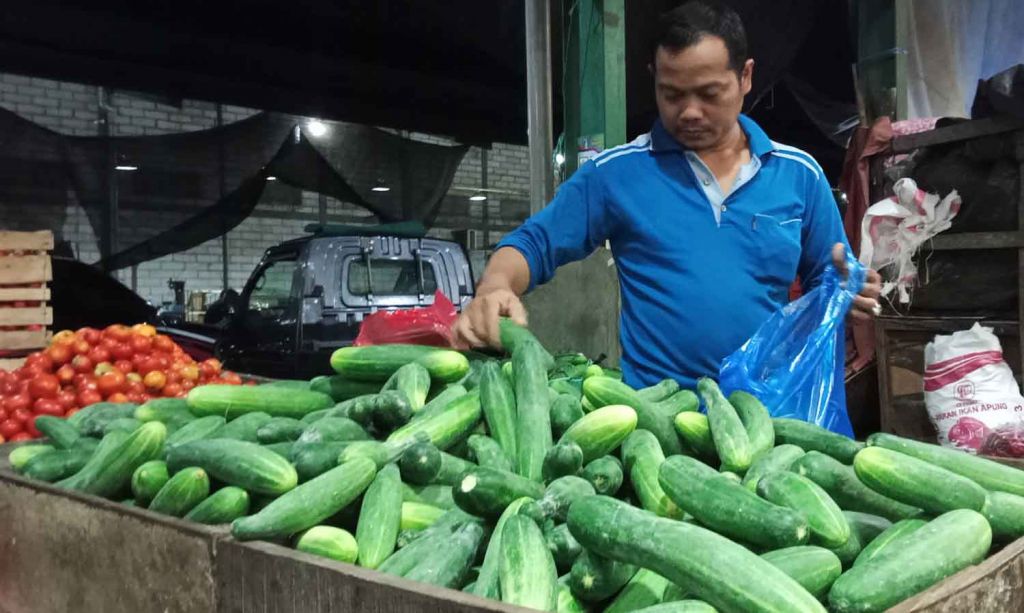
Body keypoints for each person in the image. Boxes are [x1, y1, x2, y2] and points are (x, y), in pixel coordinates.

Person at [453, 1, 881, 426]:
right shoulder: (617, 174)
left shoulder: (798, 175)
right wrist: (494, 286)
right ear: (653, 80)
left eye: (709, 94)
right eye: (672, 94)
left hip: (769, 421)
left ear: (746, 76)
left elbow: (832, 276)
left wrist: (852, 288)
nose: (690, 111)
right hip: (660, 425)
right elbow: (534, 243)